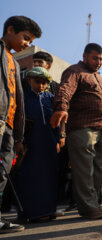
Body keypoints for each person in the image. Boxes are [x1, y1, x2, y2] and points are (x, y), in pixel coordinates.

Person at [50, 43, 102, 220]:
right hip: (83, 128)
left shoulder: (98, 77)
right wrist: (61, 107)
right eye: (95, 58)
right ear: (85, 56)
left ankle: (93, 204)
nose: (98, 62)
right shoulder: (75, 71)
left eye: (101, 59)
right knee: (84, 170)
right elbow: (65, 90)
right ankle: (88, 208)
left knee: (98, 170)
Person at [0, 15, 41, 233]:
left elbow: (19, 103)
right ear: (10, 30)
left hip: (8, 128)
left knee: (2, 173)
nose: (27, 44)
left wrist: (18, 137)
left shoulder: (15, 63)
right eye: (25, 38)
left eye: (30, 41)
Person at [17, 67, 59, 222]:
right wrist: (18, 140)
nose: (41, 85)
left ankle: (48, 210)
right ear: (29, 81)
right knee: (31, 176)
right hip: (30, 143)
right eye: (37, 82)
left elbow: (57, 121)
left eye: (44, 82)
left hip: (48, 142)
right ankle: (31, 213)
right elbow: (19, 121)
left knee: (49, 175)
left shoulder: (51, 98)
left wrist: (58, 139)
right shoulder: (23, 98)